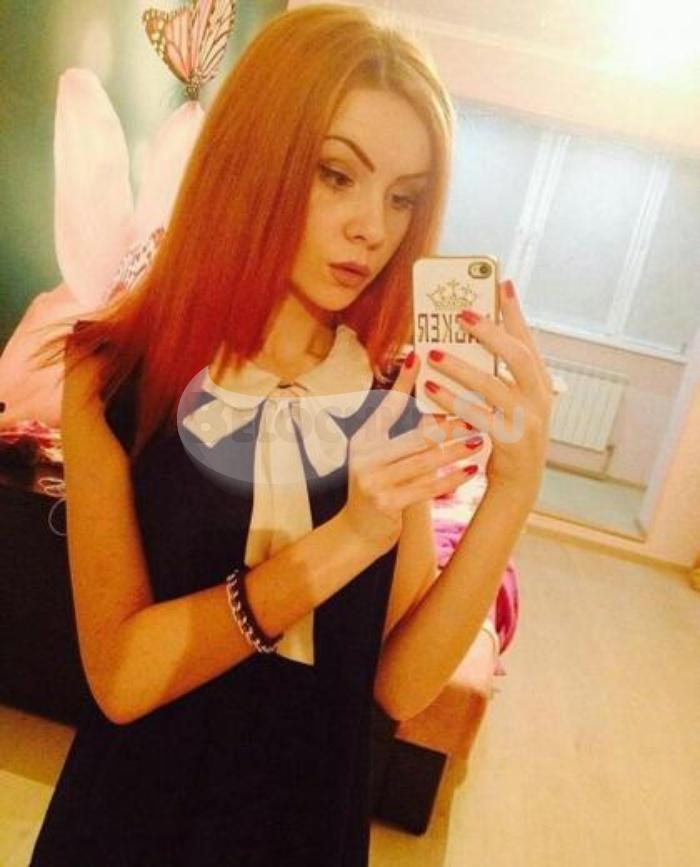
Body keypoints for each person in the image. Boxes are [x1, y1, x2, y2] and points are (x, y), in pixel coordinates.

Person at [28, 4, 553, 865]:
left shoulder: (390, 399)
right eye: (337, 174)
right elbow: (121, 676)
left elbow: (399, 684)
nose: (373, 227)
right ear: (254, 157)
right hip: (131, 826)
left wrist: (513, 490)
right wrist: (347, 539)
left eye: (403, 197)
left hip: (305, 832)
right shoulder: (113, 376)